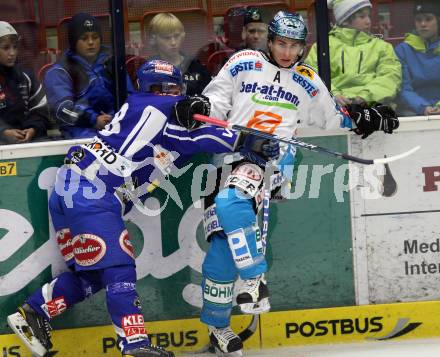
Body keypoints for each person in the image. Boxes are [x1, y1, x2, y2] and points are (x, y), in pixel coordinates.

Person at [6, 59, 257, 357]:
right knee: (119, 269)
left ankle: (33, 314)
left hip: (72, 188)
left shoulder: (145, 107)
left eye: (175, 90)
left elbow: (184, 136)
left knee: (95, 274)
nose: (172, 95)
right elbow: (194, 137)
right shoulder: (159, 110)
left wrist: (231, 132)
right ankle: (134, 346)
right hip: (92, 193)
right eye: (168, 89)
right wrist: (243, 138)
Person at [196, 10, 399, 356]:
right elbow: (215, 103)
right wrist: (198, 105)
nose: (288, 52)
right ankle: (218, 329)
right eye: (281, 44)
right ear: (269, 41)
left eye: (295, 46)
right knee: (219, 254)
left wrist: (369, 116)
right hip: (226, 159)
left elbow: (333, 116)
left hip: (269, 162)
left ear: (303, 48)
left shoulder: (307, 79)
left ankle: (255, 279)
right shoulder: (243, 62)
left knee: (230, 205)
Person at [44, 12, 134, 139]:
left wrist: (116, 117)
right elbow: (62, 110)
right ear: (74, 41)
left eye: (95, 37)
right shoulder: (59, 72)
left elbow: (130, 97)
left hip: (117, 124)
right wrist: (94, 119)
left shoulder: (112, 62)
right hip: (81, 132)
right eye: (84, 38)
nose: (91, 42)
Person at [305, 0, 402, 108]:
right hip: (331, 107)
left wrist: (365, 97)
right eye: (362, 17)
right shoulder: (324, 46)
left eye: (368, 16)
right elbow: (311, 74)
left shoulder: (382, 47)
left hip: (373, 106)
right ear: (346, 20)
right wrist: (333, 94)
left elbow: (390, 76)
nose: (368, 21)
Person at [0, 21, 49, 144]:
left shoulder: (27, 77)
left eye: (15, 47)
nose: (12, 53)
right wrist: (3, 132)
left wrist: (32, 129)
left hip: (27, 141)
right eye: (6, 48)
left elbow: (41, 110)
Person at [146, 12, 211, 96]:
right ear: (154, 39)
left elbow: (211, 96)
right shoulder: (149, 69)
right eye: (167, 38)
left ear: (183, 36)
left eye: (176, 36)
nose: (173, 42)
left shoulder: (195, 66)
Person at [394, 0, 440, 116]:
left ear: (438, 20)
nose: (423, 24)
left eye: (428, 19)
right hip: (414, 110)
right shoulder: (402, 50)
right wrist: (423, 107)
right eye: (418, 20)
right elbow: (403, 88)